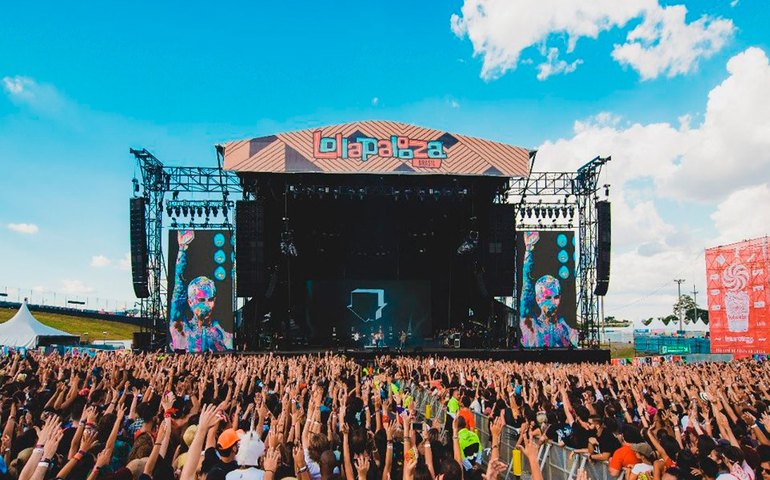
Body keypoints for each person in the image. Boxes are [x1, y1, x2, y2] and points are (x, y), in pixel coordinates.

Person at [169, 229, 233, 352]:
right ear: (190, 302)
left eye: (210, 300)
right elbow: (178, 287)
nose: (207, 305)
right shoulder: (181, 328)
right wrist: (182, 250)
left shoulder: (221, 334)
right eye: (201, 300)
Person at [519, 231, 578, 348]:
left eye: (556, 297)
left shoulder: (567, 329)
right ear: (538, 299)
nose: (553, 302)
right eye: (547, 297)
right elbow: (527, 288)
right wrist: (529, 250)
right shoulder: (530, 324)